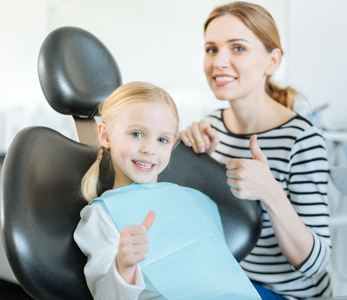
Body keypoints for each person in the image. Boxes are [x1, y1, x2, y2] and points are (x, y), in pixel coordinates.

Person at [180, 2, 331, 299]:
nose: (219, 62)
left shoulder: (301, 137)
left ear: (271, 61)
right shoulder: (210, 128)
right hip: (227, 284)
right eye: (212, 49)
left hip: (286, 294)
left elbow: (315, 263)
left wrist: (271, 192)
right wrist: (192, 164)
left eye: (237, 48)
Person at [74, 81, 261, 300]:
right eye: (136, 134)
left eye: (162, 139)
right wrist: (123, 266)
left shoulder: (197, 201)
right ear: (105, 135)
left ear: (172, 146)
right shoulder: (102, 215)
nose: (149, 149)